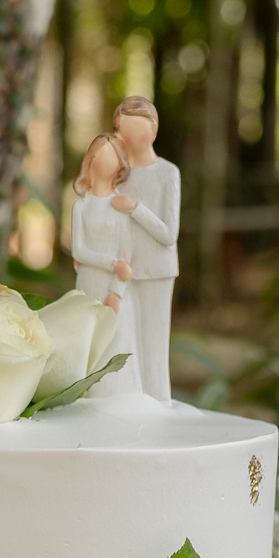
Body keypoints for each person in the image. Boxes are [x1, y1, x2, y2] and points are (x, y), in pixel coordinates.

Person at [108, 96, 180, 403]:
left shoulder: (167, 173)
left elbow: (169, 233)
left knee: (153, 340)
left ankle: (159, 401)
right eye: (125, 131)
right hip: (122, 269)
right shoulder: (118, 174)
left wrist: (135, 208)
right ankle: (129, 401)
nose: (132, 138)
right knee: (123, 339)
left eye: (140, 129)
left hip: (156, 270)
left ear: (154, 130)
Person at [69, 132, 142, 399]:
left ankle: (117, 397)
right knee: (88, 339)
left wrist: (117, 290)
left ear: (120, 164)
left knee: (115, 340)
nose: (104, 162)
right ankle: (85, 395)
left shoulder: (120, 206)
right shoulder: (82, 206)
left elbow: (127, 255)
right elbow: (79, 250)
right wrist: (111, 263)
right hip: (89, 282)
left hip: (113, 289)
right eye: (99, 156)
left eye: (110, 156)